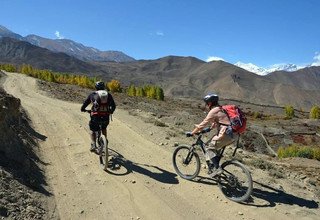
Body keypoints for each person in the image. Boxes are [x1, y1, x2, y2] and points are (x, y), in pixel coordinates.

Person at [186, 93, 237, 177]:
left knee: (209, 148)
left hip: (226, 134)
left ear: (209, 103)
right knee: (212, 146)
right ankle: (213, 166)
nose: (206, 105)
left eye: (206, 103)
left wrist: (192, 132)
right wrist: (209, 129)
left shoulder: (213, 111)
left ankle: (217, 169)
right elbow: (216, 124)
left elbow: (203, 124)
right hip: (234, 135)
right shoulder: (221, 109)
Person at [81, 81, 116, 152]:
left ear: (96, 87)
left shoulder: (92, 94)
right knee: (104, 127)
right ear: (103, 87)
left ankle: (93, 144)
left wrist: (83, 109)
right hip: (106, 116)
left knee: (93, 130)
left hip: (95, 117)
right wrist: (110, 112)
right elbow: (113, 106)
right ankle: (104, 140)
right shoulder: (108, 95)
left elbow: (86, 103)